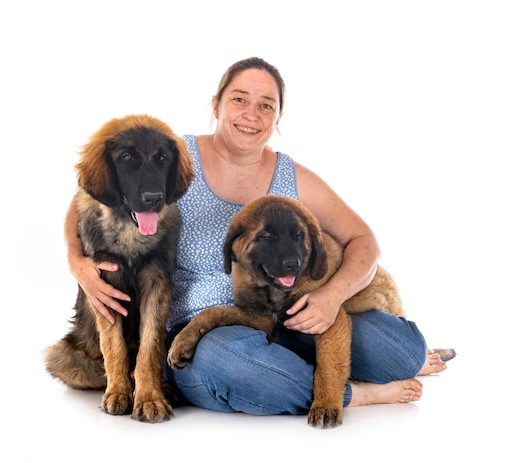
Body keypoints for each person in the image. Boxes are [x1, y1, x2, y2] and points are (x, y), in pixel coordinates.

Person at [64, 57, 449, 416]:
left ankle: (304, 364)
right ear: (216, 105)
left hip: (283, 317)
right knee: (254, 375)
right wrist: (76, 261)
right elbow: (85, 201)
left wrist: (330, 299)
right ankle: (351, 393)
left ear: (279, 117)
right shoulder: (175, 156)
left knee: (402, 352)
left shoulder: (292, 176)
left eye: (266, 105)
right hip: (198, 333)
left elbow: (365, 242)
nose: (252, 114)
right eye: (239, 99)